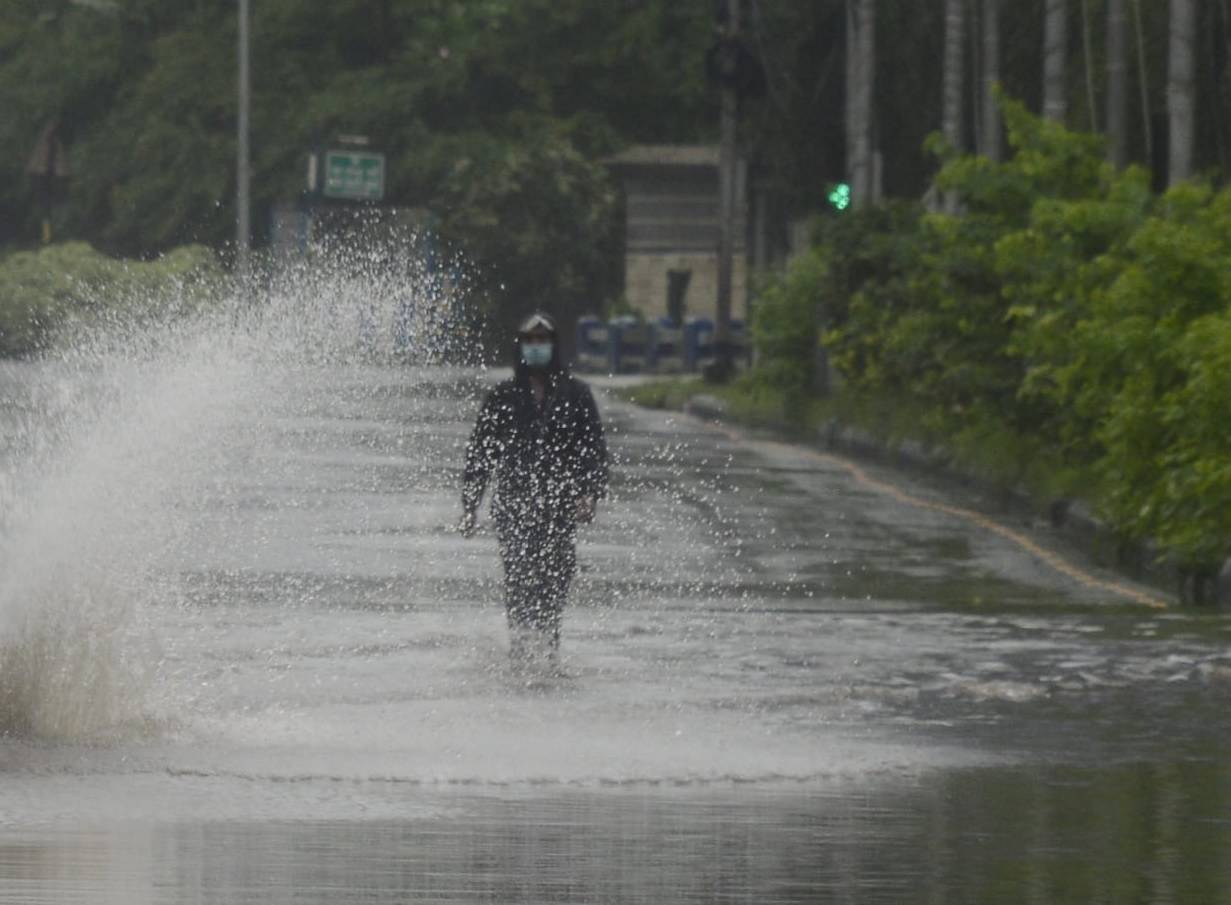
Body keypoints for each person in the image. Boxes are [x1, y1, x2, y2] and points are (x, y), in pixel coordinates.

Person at [460, 312, 608, 661]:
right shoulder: (503, 397)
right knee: (519, 577)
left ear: (554, 347)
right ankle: (521, 651)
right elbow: (480, 453)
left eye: (543, 341)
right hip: (513, 506)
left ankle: (548, 649)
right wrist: (470, 505)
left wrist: (588, 493)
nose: (537, 347)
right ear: (521, 346)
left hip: (559, 509)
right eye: (531, 341)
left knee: (555, 580)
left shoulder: (576, 396)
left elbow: (594, 452)